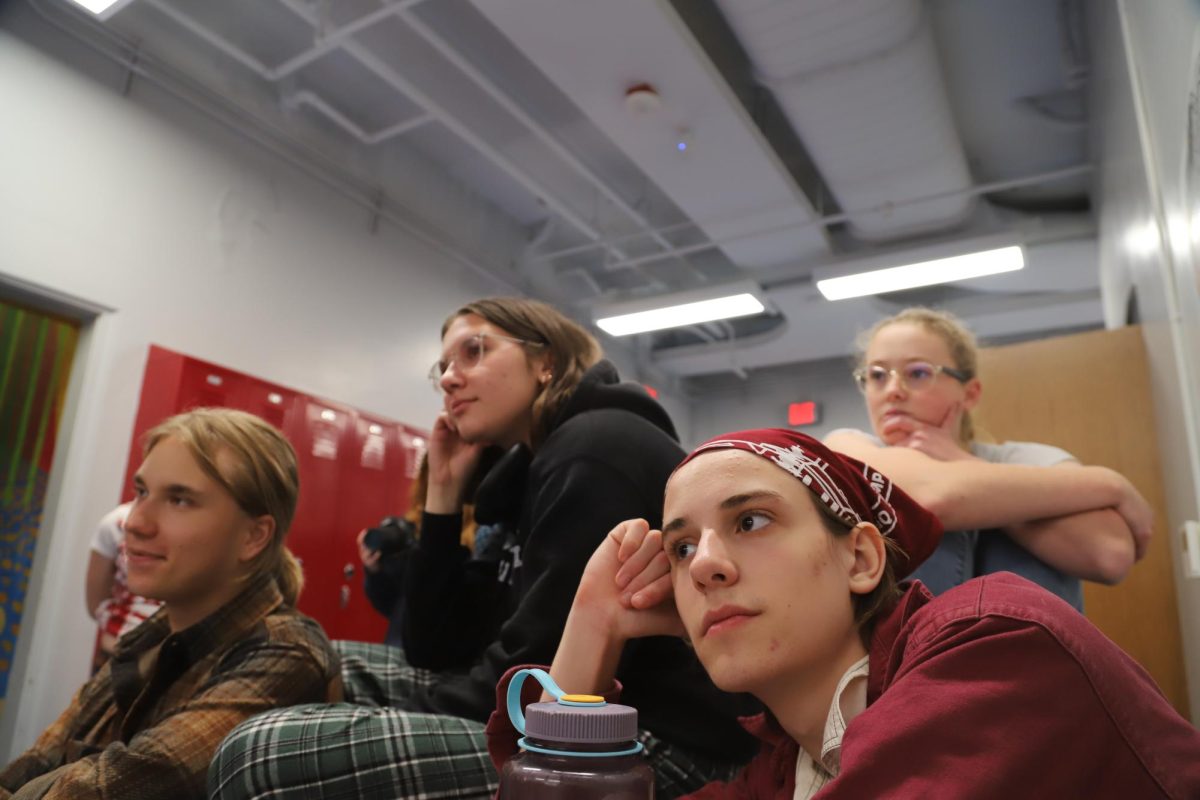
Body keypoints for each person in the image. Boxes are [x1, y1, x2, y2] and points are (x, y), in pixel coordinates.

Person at [211, 297, 758, 800]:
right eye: (442, 368)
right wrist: (444, 495)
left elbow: (536, 675)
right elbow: (433, 644)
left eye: (474, 351)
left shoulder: (593, 452)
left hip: (656, 743)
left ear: (545, 361)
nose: (450, 379)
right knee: (310, 657)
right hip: (566, 711)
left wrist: (390, 715)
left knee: (261, 753)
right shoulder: (523, 473)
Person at [487, 429, 1200, 799]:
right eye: (679, 547)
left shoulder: (995, 645)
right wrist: (591, 626)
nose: (703, 563)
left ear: (861, 559)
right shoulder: (780, 776)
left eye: (752, 521)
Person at [0, 408, 342, 800]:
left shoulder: (287, 656)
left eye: (179, 500)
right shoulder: (149, 640)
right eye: (142, 492)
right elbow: (33, 765)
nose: (134, 523)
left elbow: (105, 790)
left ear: (253, 536)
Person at [824, 307, 1153, 610]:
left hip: (1033, 667)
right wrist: (1112, 484)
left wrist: (964, 467)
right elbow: (932, 497)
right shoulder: (850, 446)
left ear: (970, 393)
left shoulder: (1031, 458)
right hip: (906, 669)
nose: (893, 390)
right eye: (878, 375)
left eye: (918, 373)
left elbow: (1109, 555)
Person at [85, 501, 162, 669]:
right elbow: (96, 605)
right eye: (142, 490)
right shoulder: (117, 522)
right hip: (115, 657)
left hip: (177, 664)